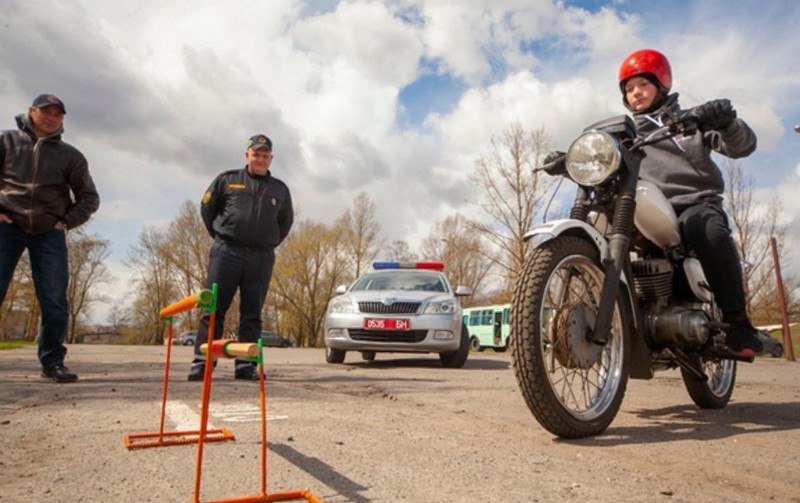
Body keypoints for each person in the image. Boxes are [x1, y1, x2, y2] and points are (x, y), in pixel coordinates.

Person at [617, 48, 763, 357]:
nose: (635, 93)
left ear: (661, 84)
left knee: (707, 227)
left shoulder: (691, 120)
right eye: (628, 89)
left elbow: (743, 147)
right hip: (649, 210)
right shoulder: (625, 135)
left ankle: (739, 323)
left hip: (694, 203)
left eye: (642, 84)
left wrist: (726, 123)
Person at [0, 94, 100, 382]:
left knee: (55, 299)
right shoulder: (6, 142)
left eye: (57, 113)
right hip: (7, 225)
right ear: (31, 112)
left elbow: (89, 198)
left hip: (48, 232)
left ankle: (52, 362)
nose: (51, 117)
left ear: (62, 120)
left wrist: (65, 222)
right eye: (46, 111)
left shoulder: (71, 156)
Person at [188, 134, 294, 381]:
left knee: (252, 311)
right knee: (213, 308)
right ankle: (202, 362)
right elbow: (207, 209)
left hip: (260, 256)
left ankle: (246, 365)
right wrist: (222, 235)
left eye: (265, 155)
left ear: (271, 159)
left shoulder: (279, 189)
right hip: (227, 252)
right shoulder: (227, 180)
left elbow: (285, 222)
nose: (260, 159)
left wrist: (267, 242)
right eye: (256, 154)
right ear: (247, 155)